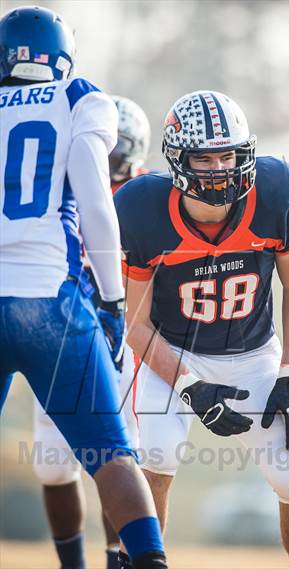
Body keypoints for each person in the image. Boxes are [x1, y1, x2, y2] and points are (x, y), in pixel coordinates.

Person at [114, 90, 289, 569]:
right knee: (156, 458)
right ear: (177, 159)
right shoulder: (141, 211)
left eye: (228, 155)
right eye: (205, 157)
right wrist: (190, 385)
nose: (220, 168)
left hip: (253, 352)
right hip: (169, 351)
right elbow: (136, 321)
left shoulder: (276, 193)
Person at [0, 6, 167, 569]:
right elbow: (97, 205)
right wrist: (115, 300)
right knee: (113, 455)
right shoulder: (80, 97)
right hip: (52, 296)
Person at [31, 95, 152, 569]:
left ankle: (115, 559)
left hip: (111, 336)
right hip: (58, 333)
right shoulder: (53, 190)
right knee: (54, 462)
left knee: (117, 457)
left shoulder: (143, 199)